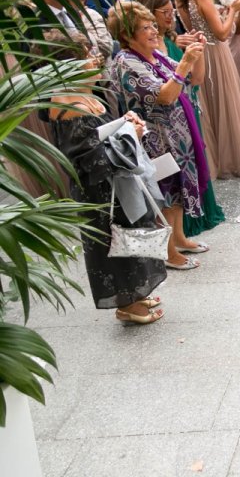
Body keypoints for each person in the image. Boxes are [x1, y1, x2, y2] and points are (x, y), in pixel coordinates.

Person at [43, 30, 167, 324]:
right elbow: (92, 160)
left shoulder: (84, 92)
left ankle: (136, 291)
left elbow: (100, 134)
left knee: (132, 233)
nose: (94, 59)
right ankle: (126, 304)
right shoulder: (67, 106)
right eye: (86, 54)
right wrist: (130, 137)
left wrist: (125, 122)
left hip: (116, 182)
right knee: (114, 242)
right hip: (98, 190)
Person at [109, 1, 210, 271]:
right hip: (154, 140)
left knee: (177, 189)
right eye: (146, 27)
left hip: (177, 137)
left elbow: (193, 80)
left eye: (153, 25)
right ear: (128, 35)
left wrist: (197, 57)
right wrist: (187, 61)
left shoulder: (157, 56)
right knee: (164, 193)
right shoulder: (126, 62)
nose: (154, 31)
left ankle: (178, 237)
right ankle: (167, 253)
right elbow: (165, 95)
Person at [137, 0, 226, 238]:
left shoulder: (177, 39)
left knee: (193, 166)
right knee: (171, 177)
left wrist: (199, 51)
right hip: (163, 121)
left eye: (172, 11)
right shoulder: (149, 52)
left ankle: (196, 221)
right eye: (164, 12)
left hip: (187, 109)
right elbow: (162, 92)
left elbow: (196, 78)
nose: (170, 16)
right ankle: (177, 234)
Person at [175, 0, 240, 178]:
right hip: (217, 54)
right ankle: (230, 160)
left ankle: (214, 159)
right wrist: (233, 10)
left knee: (209, 105)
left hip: (199, 52)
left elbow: (196, 28)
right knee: (226, 104)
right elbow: (221, 34)